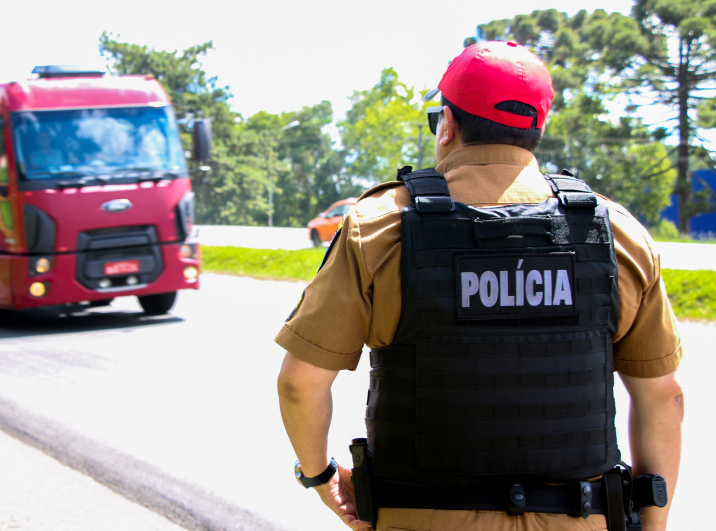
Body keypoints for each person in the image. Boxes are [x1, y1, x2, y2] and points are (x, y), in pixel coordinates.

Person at [275, 41, 684, 531]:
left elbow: (300, 384)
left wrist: (320, 477)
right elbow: (663, 398)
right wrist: (653, 525)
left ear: (447, 124)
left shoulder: (380, 226)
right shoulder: (616, 232)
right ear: (536, 129)